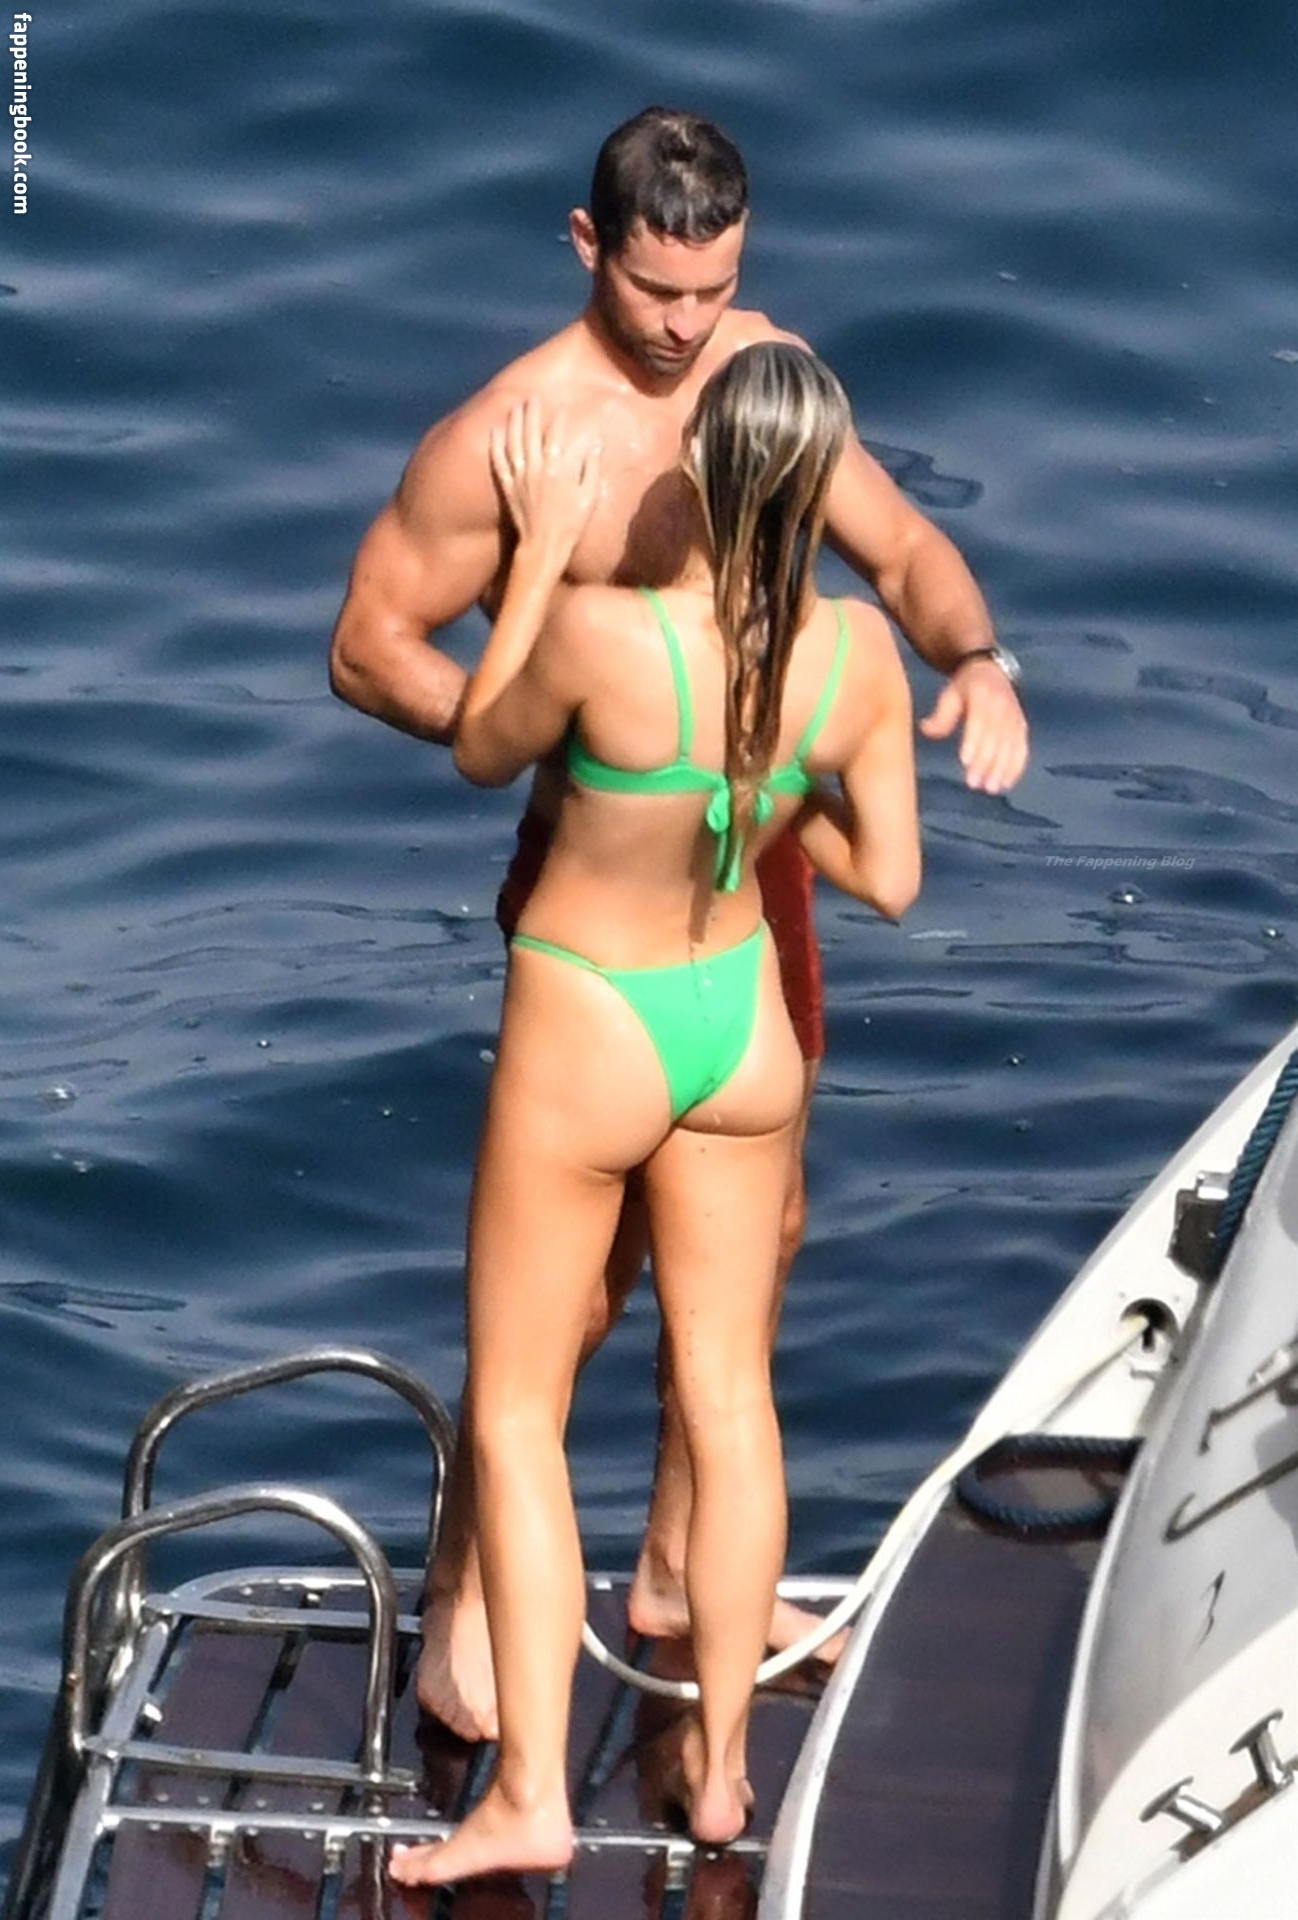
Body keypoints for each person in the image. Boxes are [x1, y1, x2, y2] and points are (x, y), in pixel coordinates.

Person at [330, 106, 1028, 1742]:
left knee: (749, 1243)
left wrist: (979, 660)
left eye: (712, 291)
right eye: (656, 292)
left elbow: (904, 550)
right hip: (594, 886)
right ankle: (465, 1608)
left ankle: (668, 1566)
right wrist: (551, 745)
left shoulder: (763, 378)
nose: (684, 327)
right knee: (566, 1294)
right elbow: (368, 643)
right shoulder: (511, 433)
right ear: (591, 247)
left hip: (758, 861)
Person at [388, 341, 921, 1888]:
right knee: (730, 1398)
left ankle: (529, 1799)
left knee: (517, 1412)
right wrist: (766, 786)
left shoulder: (599, 634)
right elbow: (890, 879)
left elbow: (481, 748)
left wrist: (543, 557)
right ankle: (724, 1774)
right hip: (742, 1032)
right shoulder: (857, 659)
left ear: (699, 478)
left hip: (593, 1023)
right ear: (817, 491)